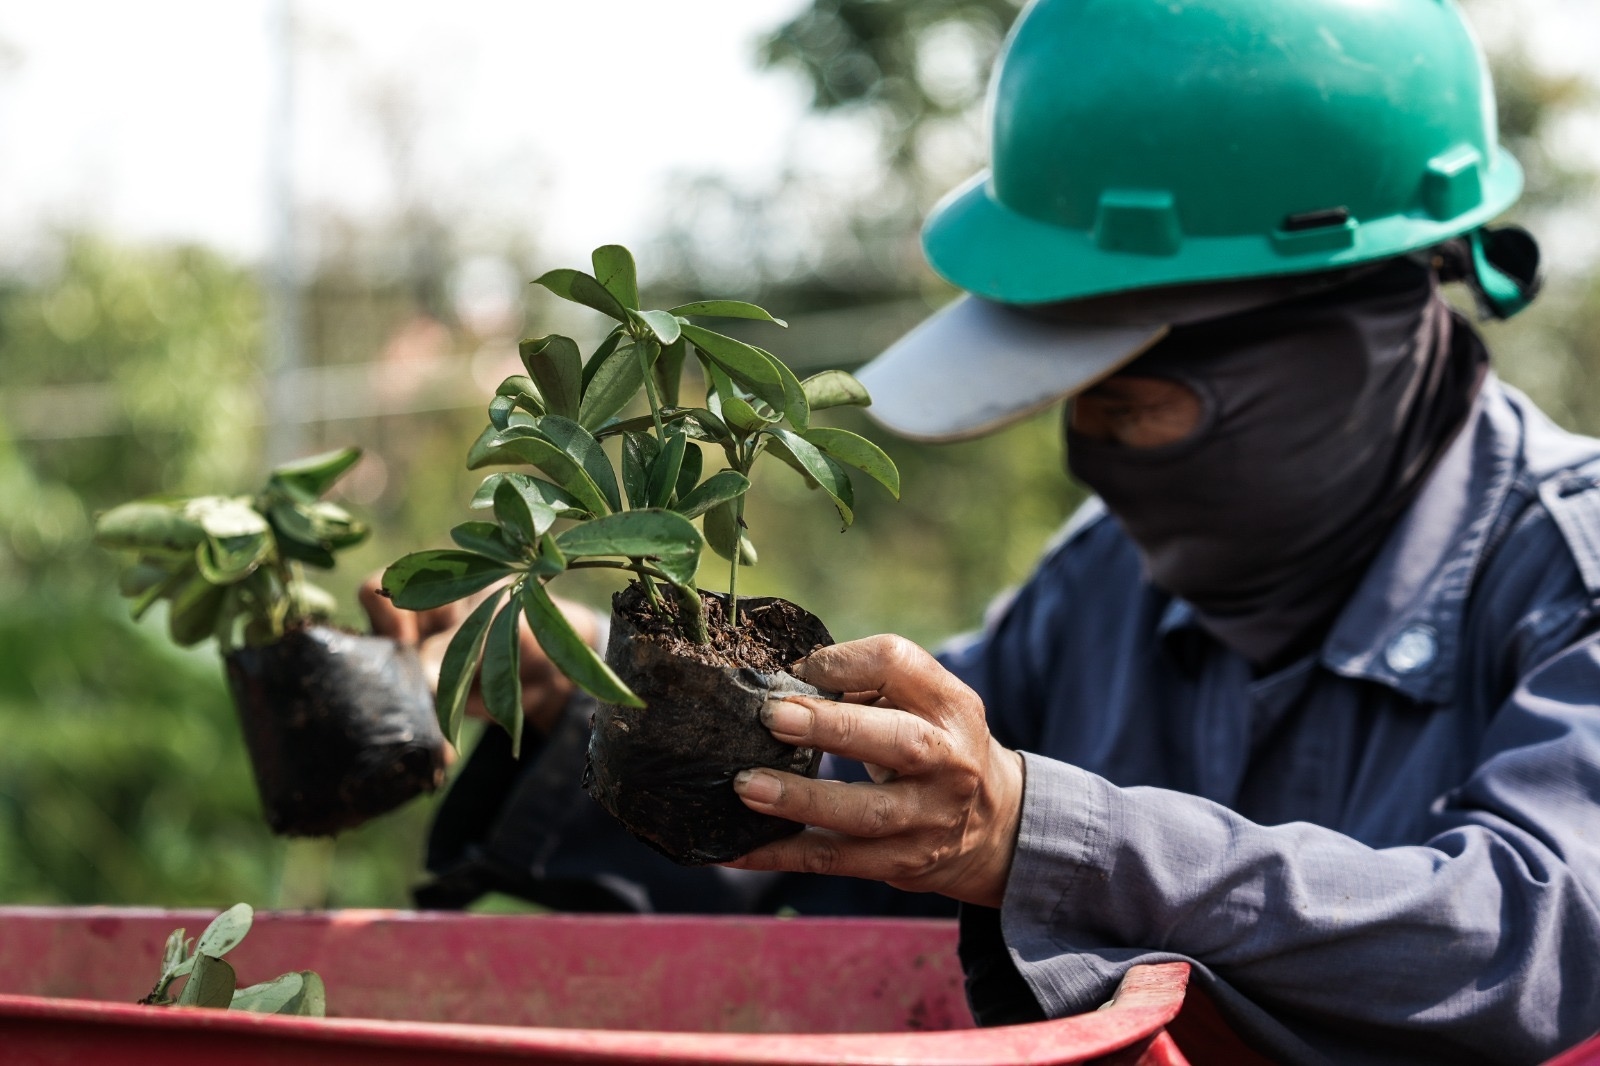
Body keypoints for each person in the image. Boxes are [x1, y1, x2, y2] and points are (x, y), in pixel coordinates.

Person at [366, 1, 1600, 1061]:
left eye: (1139, 406)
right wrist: (606, 708)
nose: (1097, 461)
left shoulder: (1565, 572)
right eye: (1079, 404)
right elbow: (869, 830)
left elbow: (1531, 938)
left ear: (1343, 351)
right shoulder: (1107, 587)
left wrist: (1038, 836)